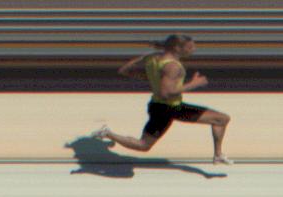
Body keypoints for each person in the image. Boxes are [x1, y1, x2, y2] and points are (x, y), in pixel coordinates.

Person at [93, 34, 232, 164]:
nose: (194, 49)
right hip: (168, 108)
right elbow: (166, 93)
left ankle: (218, 155)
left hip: (162, 106)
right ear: (177, 48)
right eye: (190, 47)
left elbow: (124, 70)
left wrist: (150, 76)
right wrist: (194, 84)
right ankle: (108, 133)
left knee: (221, 119)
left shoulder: (152, 58)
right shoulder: (172, 66)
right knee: (143, 145)